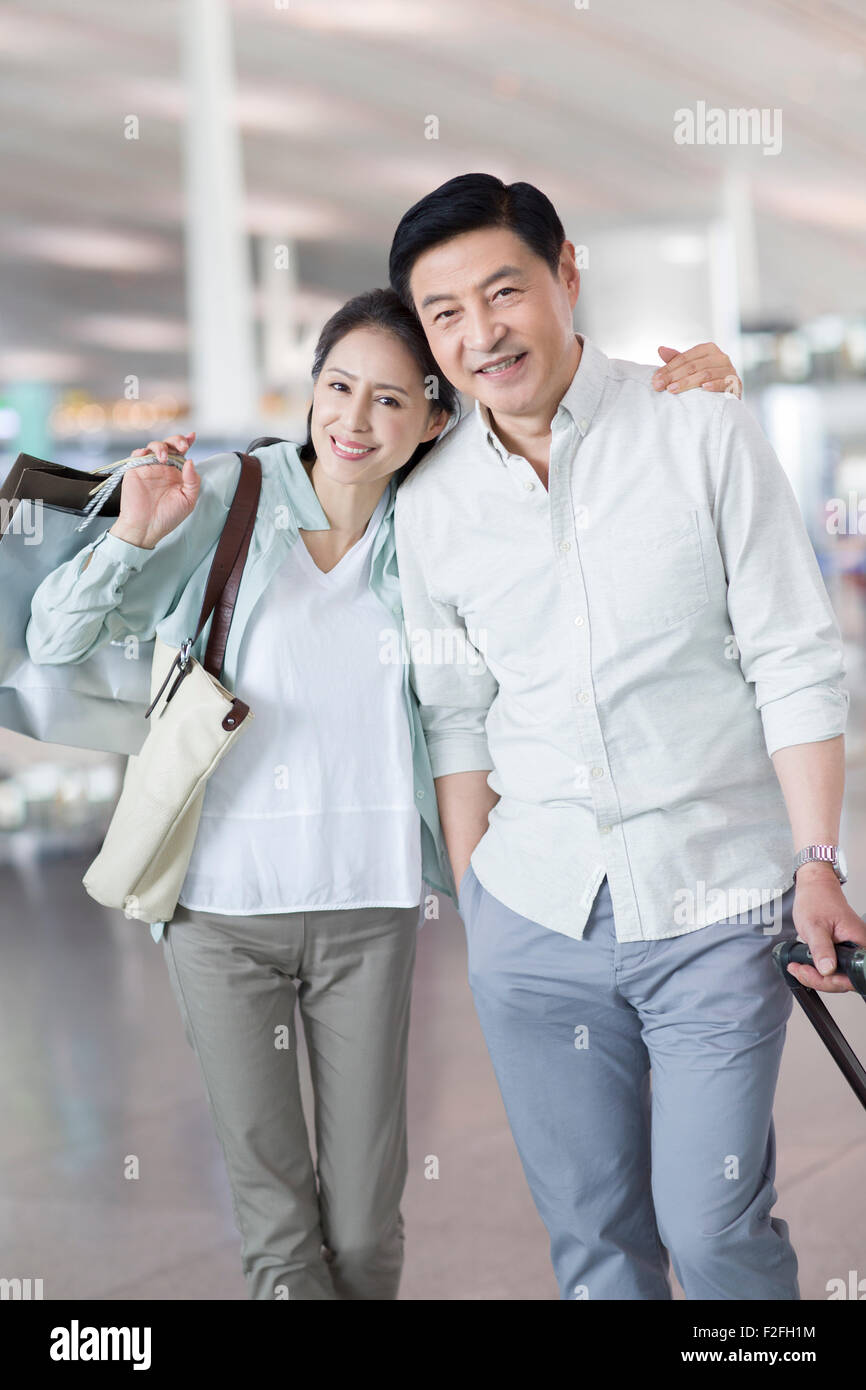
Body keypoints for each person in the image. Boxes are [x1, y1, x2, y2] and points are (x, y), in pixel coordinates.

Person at [26, 282, 740, 1301]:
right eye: (336, 386)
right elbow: (54, 639)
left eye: (390, 400)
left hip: (369, 911)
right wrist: (136, 536)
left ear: (434, 417)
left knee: (363, 1235)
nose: (353, 421)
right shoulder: (226, 498)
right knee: (280, 1234)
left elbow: (582, 497)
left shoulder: (442, 520)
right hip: (219, 915)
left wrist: (696, 397)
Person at [387, 172, 865, 1301]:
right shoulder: (432, 501)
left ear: (564, 273)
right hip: (532, 918)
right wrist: (479, 901)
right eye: (442, 314)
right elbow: (454, 714)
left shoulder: (696, 423)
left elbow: (791, 653)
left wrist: (815, 859)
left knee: (709, 1230)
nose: (478, 333)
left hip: (713, 904)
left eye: (501, 291)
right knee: (595, 1247)